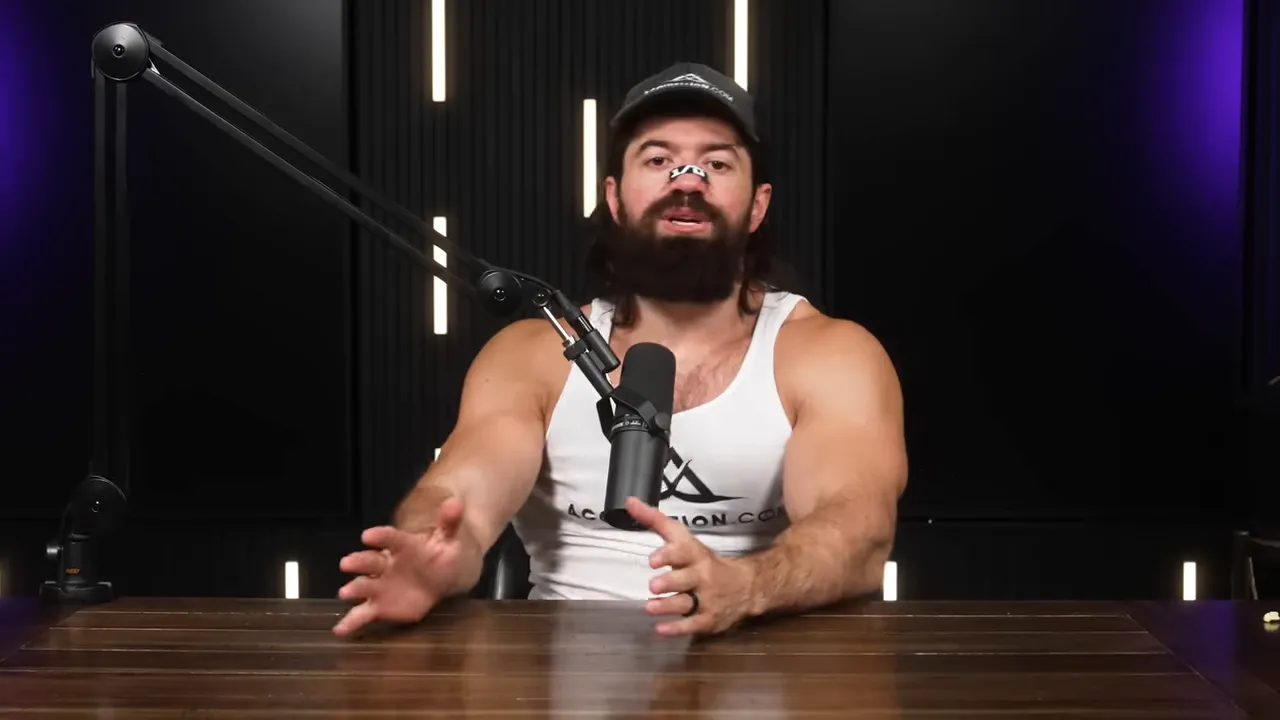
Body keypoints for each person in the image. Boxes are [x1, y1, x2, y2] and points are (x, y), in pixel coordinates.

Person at [333, 62, 907, 638]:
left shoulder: (830, 354)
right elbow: (461, 491)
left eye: (717, 163)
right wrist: (435, 549)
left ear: (757, 205)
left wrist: (749, 586)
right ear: (614, 196)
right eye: (658, 160)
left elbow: (857, 528)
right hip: (559, 676)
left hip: (759, 658)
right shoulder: (532, 353)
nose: (687, 181)